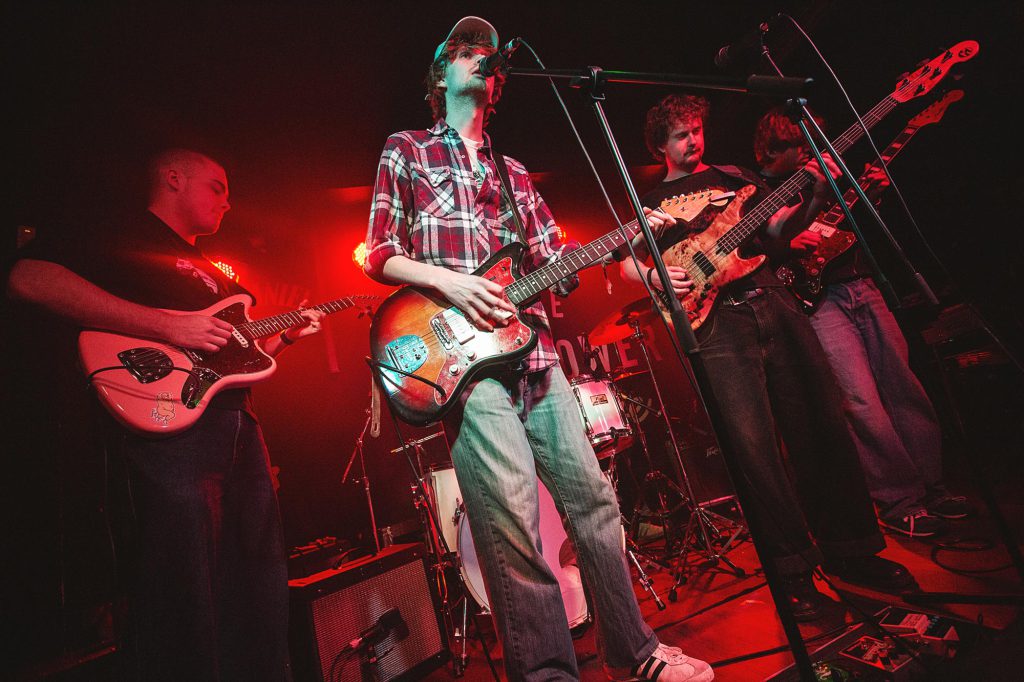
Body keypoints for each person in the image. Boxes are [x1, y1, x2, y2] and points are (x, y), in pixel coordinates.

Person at [363, 16, 713, 682]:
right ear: (441, 75)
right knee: (514, 525)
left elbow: (559, 262)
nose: (479, 57)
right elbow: (379, 253)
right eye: (463, 50)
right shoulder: (406, 149)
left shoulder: (514, 172)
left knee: (595, 505)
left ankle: (636, 654)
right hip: (464, 368)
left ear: (498, 85)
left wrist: (627, 252)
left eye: (486, 53)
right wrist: (453, 285)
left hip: (537, 357)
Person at [6, 149, 323, 680]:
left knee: (255, 581)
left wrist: (284, 338)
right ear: (174, 178)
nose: (228, 202)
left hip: (238, 425)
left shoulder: (214, 272)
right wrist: (169, 326)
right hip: (167, 428)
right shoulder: (121, 233)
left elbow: (231, 359)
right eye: (217, 187)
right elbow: (29, 278)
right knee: (182, 584)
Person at [619, 94, 915, 622]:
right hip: (717, 324)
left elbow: (778, 231)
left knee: (822, 423)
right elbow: (624, 264)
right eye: (682, 135)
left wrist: (816, 194)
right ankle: (794, 574)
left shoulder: (735, 177)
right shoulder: (652, 201)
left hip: (772, 298)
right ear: (660, 144)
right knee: (754, 449)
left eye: (697, 130)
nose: (693, 140)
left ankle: (852, 551)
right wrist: (654, 277)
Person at [754, 106, 972, 537]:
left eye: (809, 142)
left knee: (903, 385)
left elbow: (844, 227)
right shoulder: (759, 190)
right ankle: (899, 500)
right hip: (819, 300)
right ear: (772, 149)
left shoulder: (825, 173)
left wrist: (868, 194)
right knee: (861, 401)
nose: (807, 152)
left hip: (862, 282)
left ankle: (933, 487)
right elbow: (763, 248)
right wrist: (795, 235)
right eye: (797, 145)